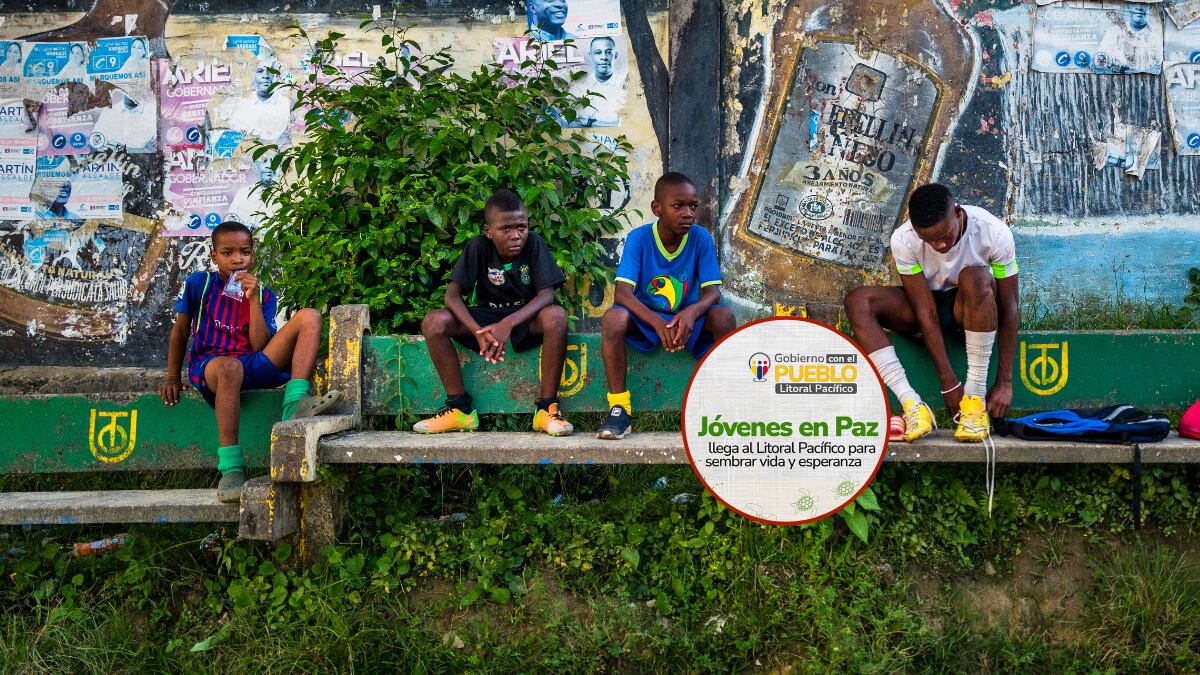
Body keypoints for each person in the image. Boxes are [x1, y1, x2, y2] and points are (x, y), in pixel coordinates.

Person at [158, 221, 342, 502]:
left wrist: (252, 300)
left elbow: (260, 345)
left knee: (310, 317)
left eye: (244, 252)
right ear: (214, 256)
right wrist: (172, 377)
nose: (237, 260)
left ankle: (295, 404)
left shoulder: (264, 293)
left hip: (253, 362)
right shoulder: (199, 283)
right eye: (227, 253)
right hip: (213, 365)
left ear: (253, 255)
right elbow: (181, 330)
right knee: (230, 368)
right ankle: (231, 468)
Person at [843, 183, 1019, 443]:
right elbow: (926, 310)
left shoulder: (994, 233)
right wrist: (948, 381)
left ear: (957, 213)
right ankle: (913, 405)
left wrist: (1004, 381)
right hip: (926, 309)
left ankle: (975, 402)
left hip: (971, 310)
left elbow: (1010, 307)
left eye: (945, 235)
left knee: (976, 276)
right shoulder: (904, 239)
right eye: (929, 239)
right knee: (858, 301)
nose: (939, 245)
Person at [414, 189, 573, 436]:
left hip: (525, 320)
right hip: (485, 320)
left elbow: (546, 295)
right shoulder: (478, 247)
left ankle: (546, 410)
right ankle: (460, 411)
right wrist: (477, 332)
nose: (516, 235)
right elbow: (452, 296)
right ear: (489, 231)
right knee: (434, 321)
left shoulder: (534, 244)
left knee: (556, 316)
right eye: (506, 229)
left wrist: (508, 324)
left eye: (522, 226)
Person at [597, 172, 737, 440]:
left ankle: (724, 405)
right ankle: (619, 408)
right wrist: (658, 323)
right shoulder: (639, 238)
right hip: (648, 321)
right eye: (678, 206)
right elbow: (623, 294)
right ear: (657, 208)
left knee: (723, 316)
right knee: (613, 319)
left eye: (693, 206)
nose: (688, 213)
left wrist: (690, 312)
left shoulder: (700, 238)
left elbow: (712, 293)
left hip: (686, 321)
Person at [569, 36, 625, 127]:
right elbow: (574, 121)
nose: (604, 57)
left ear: (615, 55)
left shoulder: (624, 84)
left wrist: (590, 123)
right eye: (598, 52)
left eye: (608, 52)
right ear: (590, 55)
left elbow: (626, 122)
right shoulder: (579, 86)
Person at [91, 88, 156, 151]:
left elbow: (156, 149)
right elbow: (94, 140)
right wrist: (101, 146)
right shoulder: (108, 112)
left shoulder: (153, 113)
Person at [226, 151, 277, 230]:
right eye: (264, 161)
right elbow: (229, 223)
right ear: (256, 165)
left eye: (274, 161)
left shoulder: (286, 198)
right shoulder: (243, 194)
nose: (269, 166)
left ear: (280, 166)